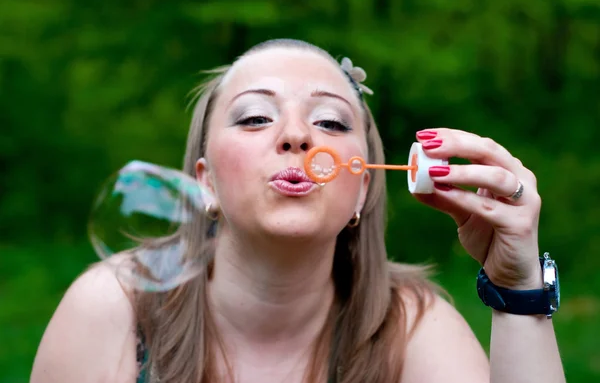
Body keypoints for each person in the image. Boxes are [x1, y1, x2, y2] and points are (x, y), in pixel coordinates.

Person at [30, 39, 566, 383]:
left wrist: (517, 290)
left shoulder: (410, 329)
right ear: (205, 182)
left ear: (360, 192)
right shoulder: (115, 311)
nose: (295, 136)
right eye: (255, 117)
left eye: (331, 123)